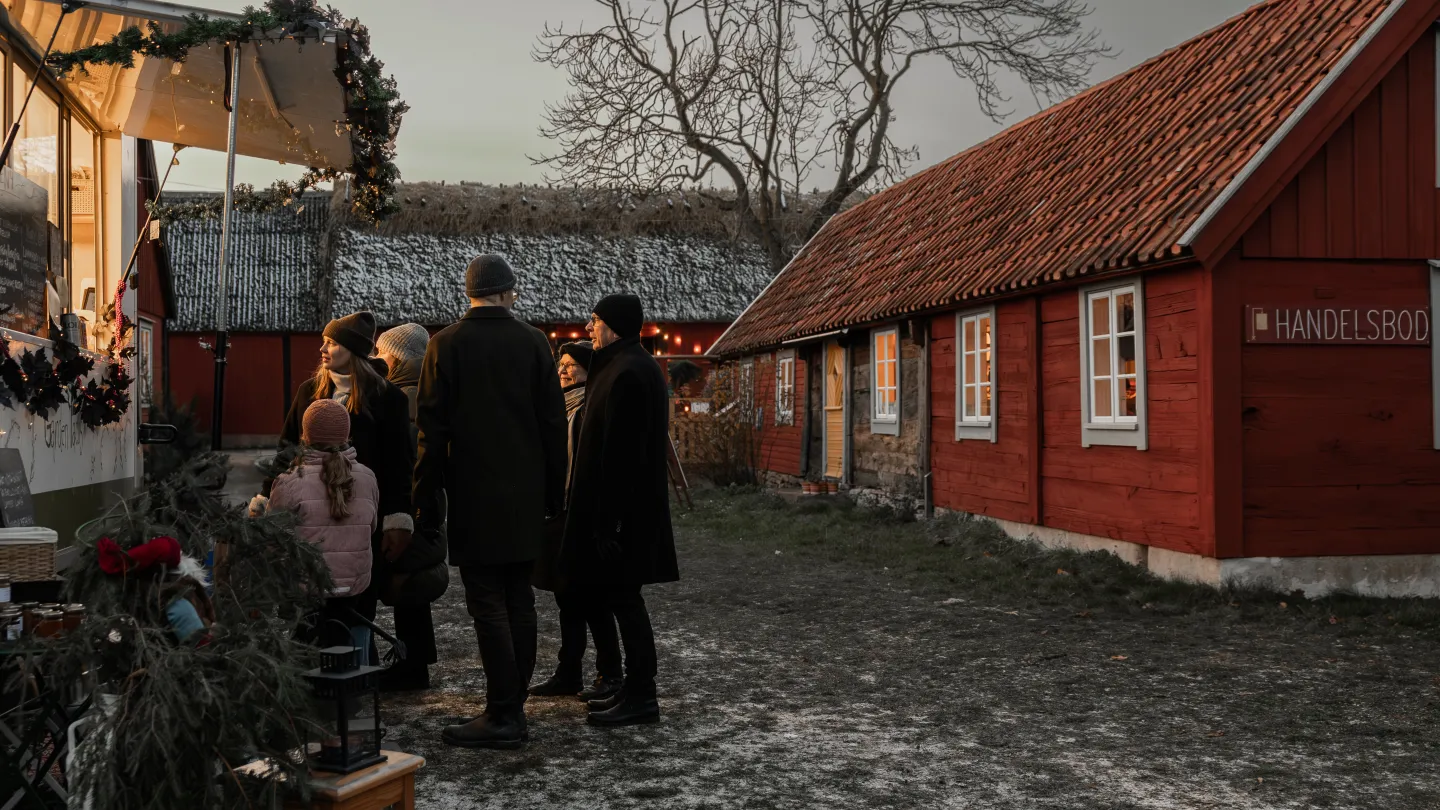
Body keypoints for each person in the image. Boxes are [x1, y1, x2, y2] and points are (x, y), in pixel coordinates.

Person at [414, 254, 567, 750]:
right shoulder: (534, 343)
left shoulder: (445, 345)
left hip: (473, 492)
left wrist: (424, 495)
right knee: (518, 598)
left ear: (470, 293)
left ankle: (504, 713)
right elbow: (552, 425)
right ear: (508, 291)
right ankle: (512, 704)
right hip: (525, 494)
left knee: (487, 603)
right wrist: (554, 492)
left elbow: (431, 430)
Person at [563, 294, 680, 727]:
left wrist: (608, 521)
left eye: (594, 321)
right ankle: (633, 690)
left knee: (626, 602)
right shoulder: (622, 366)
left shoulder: (629, 371)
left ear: (613, 324)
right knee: (620, 599)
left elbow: (622, 455)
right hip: (619, 513)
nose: (588, 329)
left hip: (623, 516)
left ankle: (642, 694)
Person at [279, 312, 415, 655]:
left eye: (333, 343)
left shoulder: (388, 399)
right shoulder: (309, 391)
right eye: (325, 341)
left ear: (353, 350)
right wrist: (268, 497)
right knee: (309, 598)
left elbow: (400, 464)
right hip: (311, 513)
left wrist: (398, 518)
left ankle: (355, 678)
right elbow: (286, 449)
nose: (323, 349)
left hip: (360, 515)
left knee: (356, 598)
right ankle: (314, 676)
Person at [529, 341, 624, 701]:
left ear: (590, 370)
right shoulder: (558, 408)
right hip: (558, 514)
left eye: (572, 365)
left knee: (592, 600)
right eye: (561, 365)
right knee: (566, 598)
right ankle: (568, 672)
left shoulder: (591, 408)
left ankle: (610, 674)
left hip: (583, 514)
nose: (564, 371)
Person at [271, 399, 381, 658]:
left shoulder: (289, 481)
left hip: (307, 589)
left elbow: (274, 536)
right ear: (347, 435)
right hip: (355, 586)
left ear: (304, 436)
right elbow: (372, 527)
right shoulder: (367, 477)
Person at [374, 323, 445, 692]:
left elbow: (408, 459)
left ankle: (412, 667)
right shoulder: (425, 388)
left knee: (408, 584)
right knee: (412, 586)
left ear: (397, 358)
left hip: (412, 503)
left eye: (383, 352)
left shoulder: (405, 397)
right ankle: (414, 662)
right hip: (425, 502)